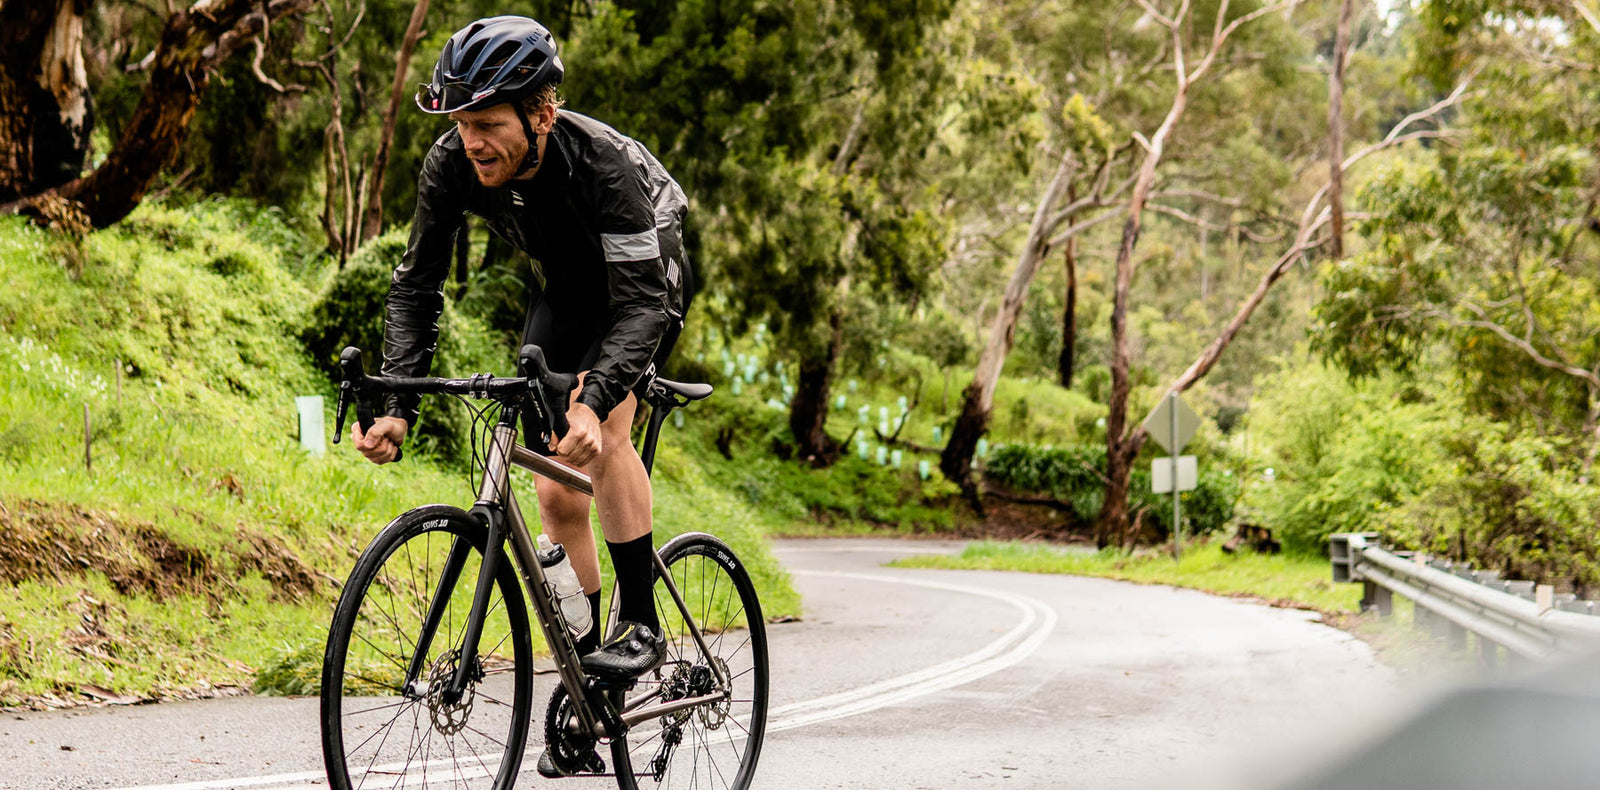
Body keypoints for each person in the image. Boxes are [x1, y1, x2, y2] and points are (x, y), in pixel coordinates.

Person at [349, 15, 690, 709]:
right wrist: (397, 407)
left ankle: (644, 627)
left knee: (603, 430)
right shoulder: (451, 163)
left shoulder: (601, 164)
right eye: (462, 122)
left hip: (647, 280)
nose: (471, 140)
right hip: (564, 285)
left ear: (542, 112)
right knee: (556, 489)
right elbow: (416, 285)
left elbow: (640, 307)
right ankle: (595, 674)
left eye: (488, 123)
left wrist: (596, 400)